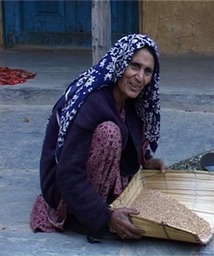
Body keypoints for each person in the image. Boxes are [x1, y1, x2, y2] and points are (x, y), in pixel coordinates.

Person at [30, 34, 167, 241]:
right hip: (63, 190)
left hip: (90, 178)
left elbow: (130, 137)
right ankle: (79, 217)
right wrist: (105, 216)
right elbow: (68, 172)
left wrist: (145, 161)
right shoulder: (93, 103)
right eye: (134, 66)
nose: (140, 77)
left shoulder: (131, 102)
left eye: (147, 71)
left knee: (116, 131)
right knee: (109, 133)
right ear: (120, 65)